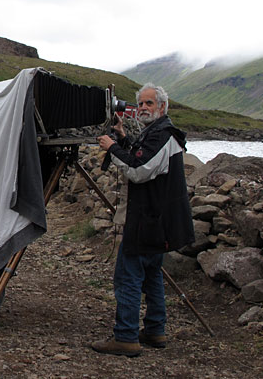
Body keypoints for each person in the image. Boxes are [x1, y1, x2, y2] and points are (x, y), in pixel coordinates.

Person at [91, 83, 195, 357]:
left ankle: (125, 337)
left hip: (148, 219)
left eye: (150, 103)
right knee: (151, 276)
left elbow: (138, 170)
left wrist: (112, 147)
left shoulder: (161, 135)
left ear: (162, 107)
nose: (144, 108)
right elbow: (142, 157)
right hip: (157, 219)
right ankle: (154, 330)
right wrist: (124, 140)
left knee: (128, 276)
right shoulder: (159, 134)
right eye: (142, 104)